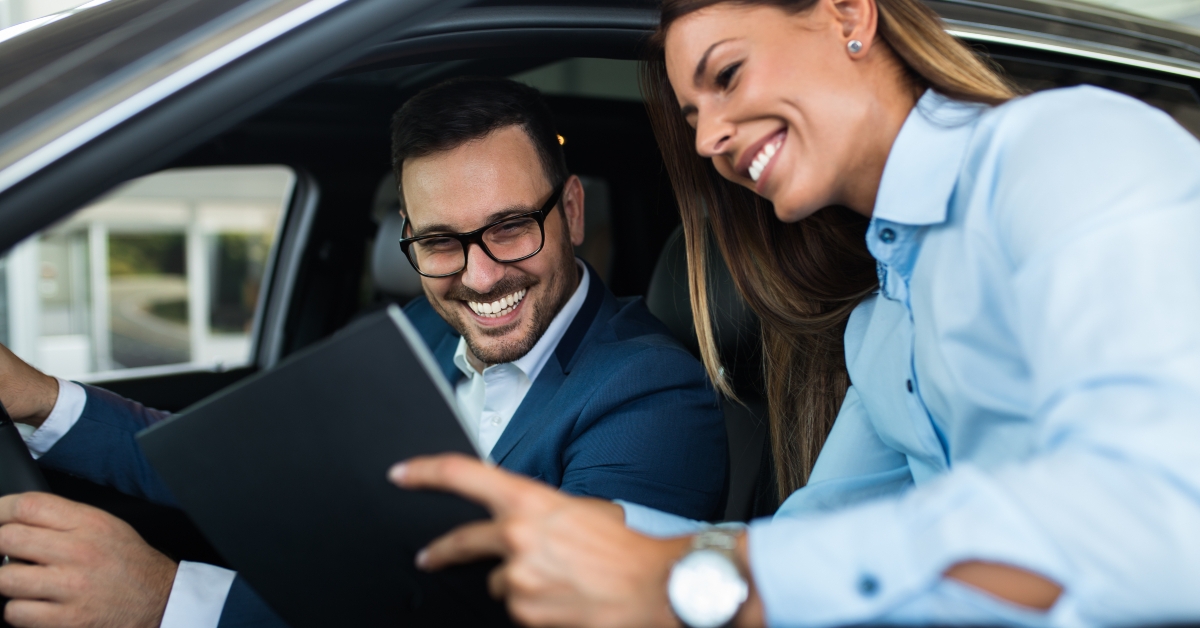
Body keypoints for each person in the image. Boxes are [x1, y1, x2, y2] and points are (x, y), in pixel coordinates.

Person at [386, 0, 1200, 626]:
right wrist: (580, 528)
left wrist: (715, 582)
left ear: (849, 15)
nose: (708, 139)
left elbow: (1162, 517)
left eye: (727, 75)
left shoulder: (1066, 153)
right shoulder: (881, 325)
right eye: (692, 116)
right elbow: (810, 530)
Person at [0, 77, 728, 628]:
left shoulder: (652, 397)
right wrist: (40, 400)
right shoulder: (422, 328)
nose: (479, 278)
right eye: (439, 242)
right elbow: (246, 465)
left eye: (509, 228)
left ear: (570, 210)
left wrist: (169, 600)